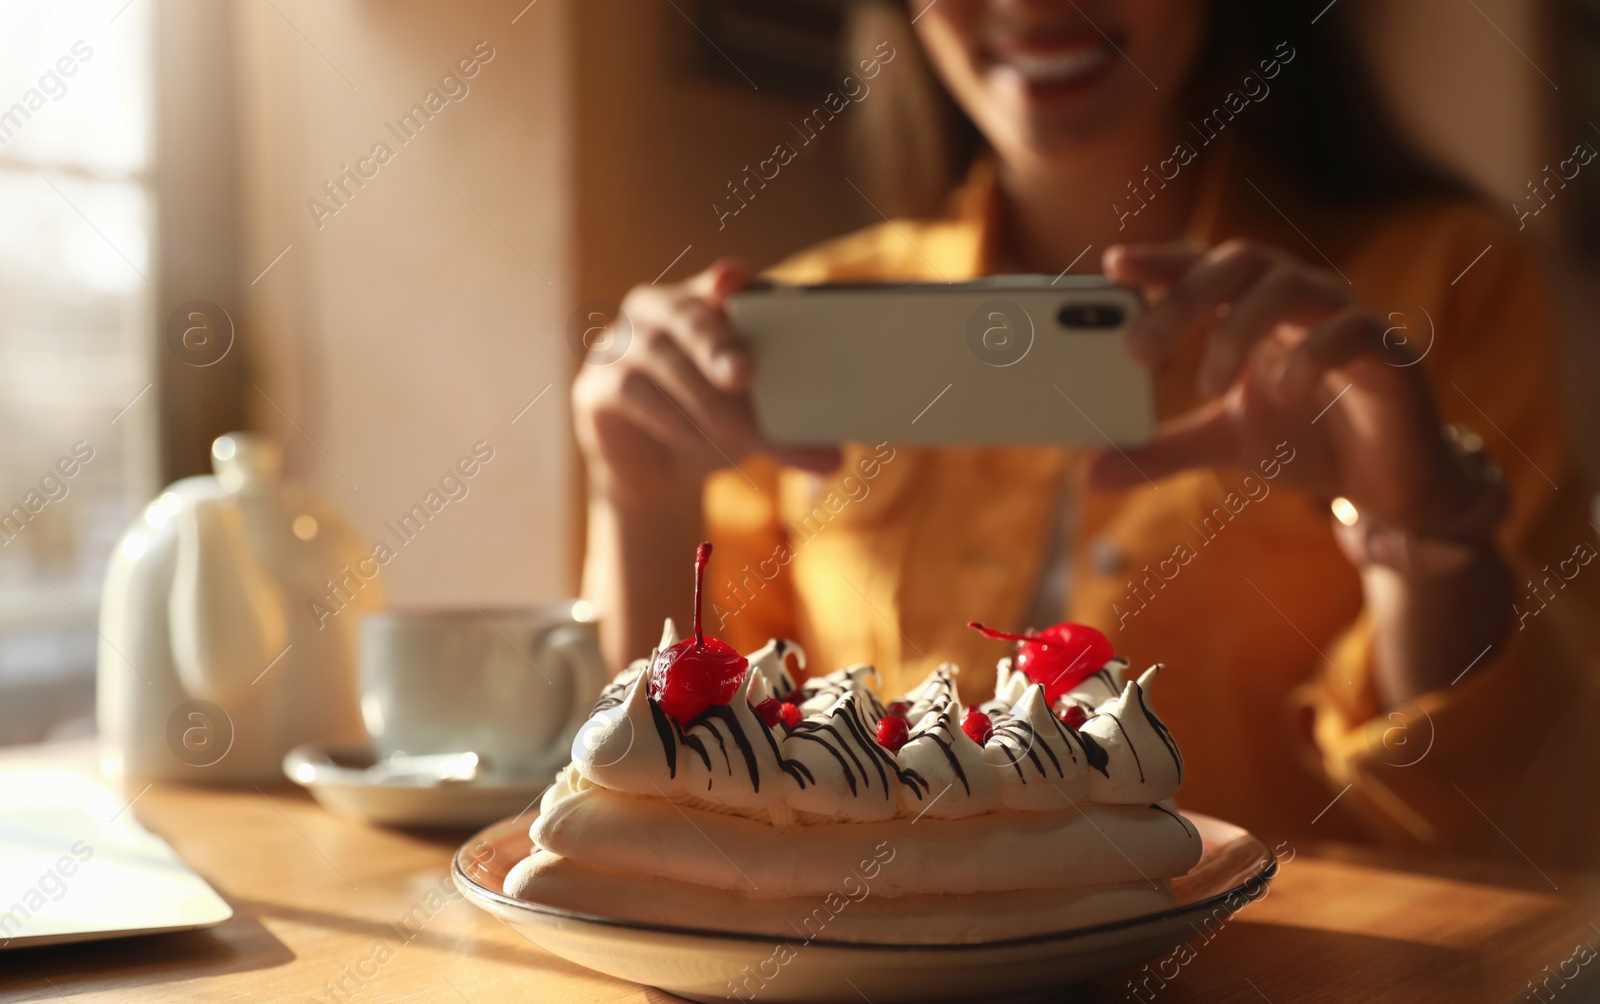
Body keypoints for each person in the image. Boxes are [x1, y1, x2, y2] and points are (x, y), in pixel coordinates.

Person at [571, 0, 1600, 864]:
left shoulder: (1436, 286)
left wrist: (1420, 530)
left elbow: (1513, 816)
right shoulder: (795, 326)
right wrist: (640, 501)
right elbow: (694, 789)